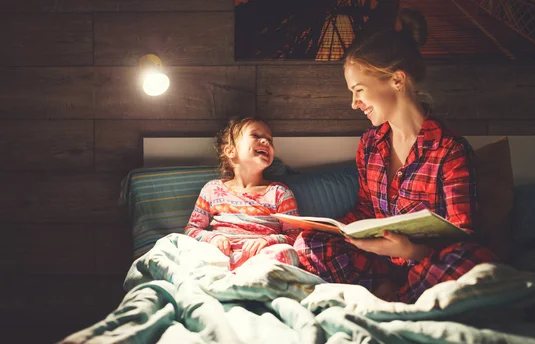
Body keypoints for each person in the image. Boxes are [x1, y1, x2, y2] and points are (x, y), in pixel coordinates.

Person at [293, 9, 497, 303]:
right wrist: (340, 229)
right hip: (379, 263)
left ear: (397, 81)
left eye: (359, 90)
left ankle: (392, 297)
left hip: (428, 264)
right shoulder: (370, 145)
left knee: (473, 260)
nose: (354, 103)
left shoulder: (449, 150)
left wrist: (410, 251)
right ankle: (393, 295)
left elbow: (462, 235)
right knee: (311, 243)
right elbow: (366, 209)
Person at [185, 116, 301, 270]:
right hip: (219, 260)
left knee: (288, 253)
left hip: (262, 261)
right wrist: (213, 238)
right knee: (170, 243)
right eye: (256, 136)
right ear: (231, 151)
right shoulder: (212, 190)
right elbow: (191, 230)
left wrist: (269, 242)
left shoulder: (280, 193)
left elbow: (296, 236)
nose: (266, 141)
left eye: (269, 140)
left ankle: (249, 283)